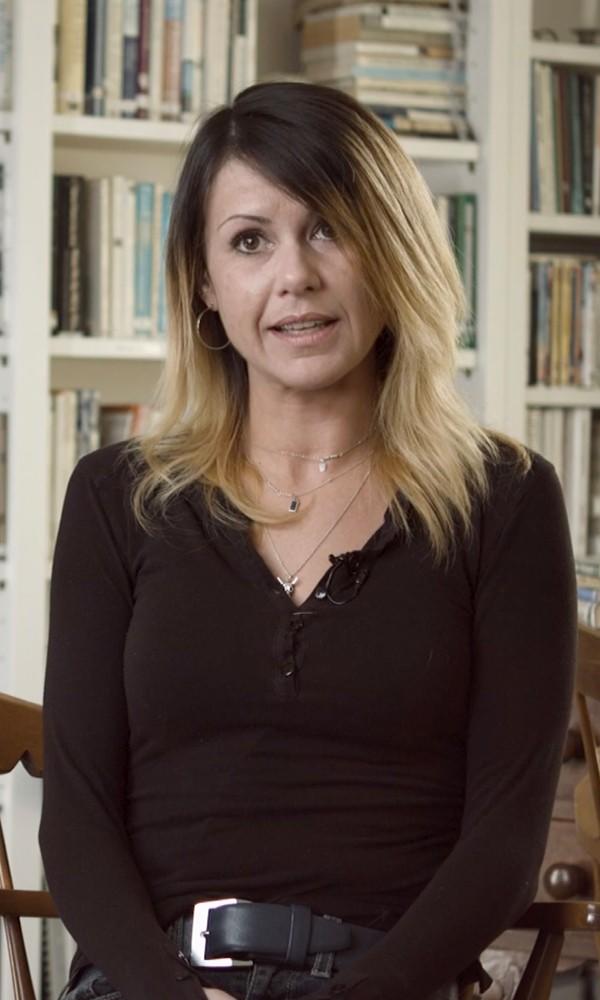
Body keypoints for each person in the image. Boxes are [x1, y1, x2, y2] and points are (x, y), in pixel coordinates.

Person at [39, 80, 577, 1000]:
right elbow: (77, 819)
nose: (295, 275)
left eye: (329, 228)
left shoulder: (505, 500)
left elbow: (506, 839)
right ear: (204, 283)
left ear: (392, 252)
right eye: (250, 241)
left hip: (386, 984)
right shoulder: (115, 496)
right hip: (159, 981)